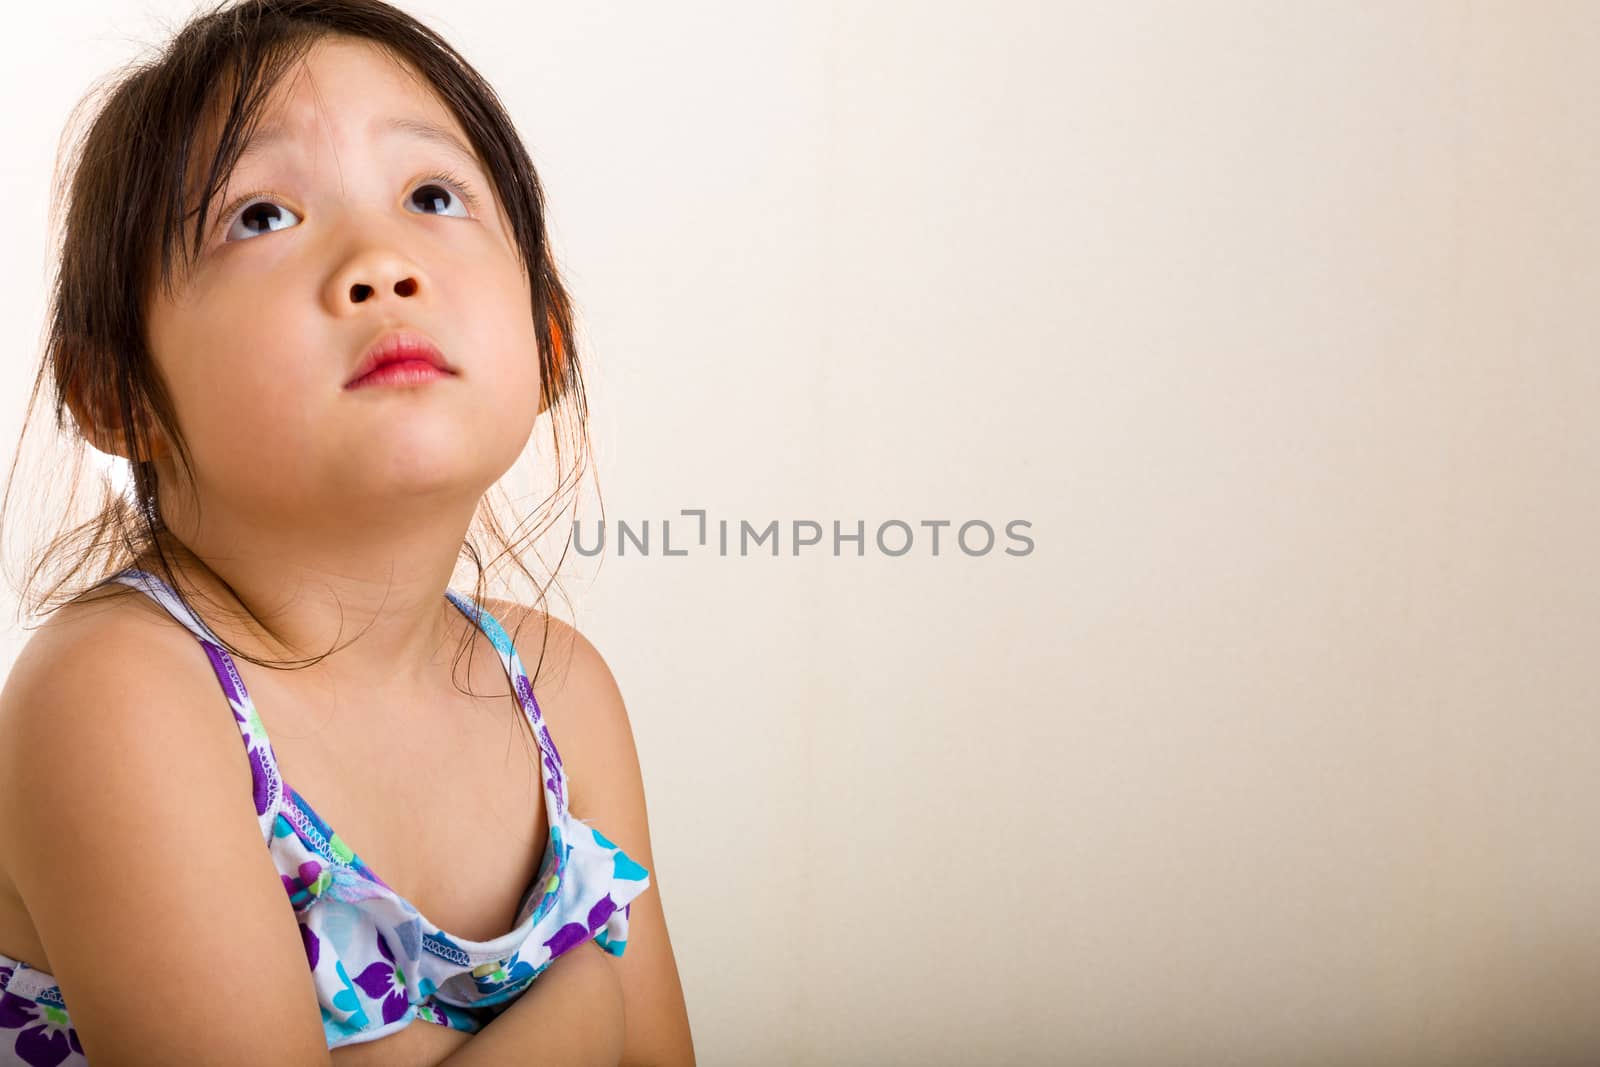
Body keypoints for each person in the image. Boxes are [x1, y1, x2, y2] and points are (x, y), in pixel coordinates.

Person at [0, 1, 694, 1063]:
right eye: (261, 216)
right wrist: (583, 1002)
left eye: (431, 196)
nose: (381, 262)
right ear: (115, 391)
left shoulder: (560, 688)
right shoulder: (118, 689)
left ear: (548, 338)